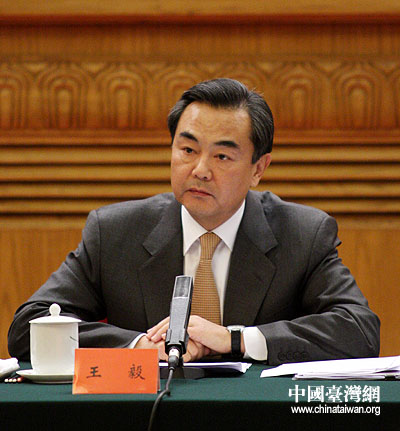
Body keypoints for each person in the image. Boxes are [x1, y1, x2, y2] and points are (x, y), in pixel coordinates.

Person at [8, 78, 380, 365]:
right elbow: (29, 325)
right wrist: (138, 346)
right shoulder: (115, 232)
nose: (200, 170)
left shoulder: (303, 234)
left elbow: (360, 329)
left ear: (258, 169)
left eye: (222, 157)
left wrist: (236, 339)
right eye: (188, 150)